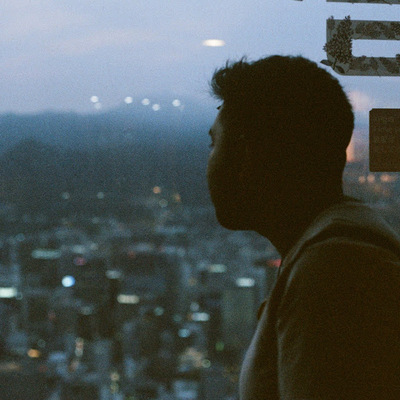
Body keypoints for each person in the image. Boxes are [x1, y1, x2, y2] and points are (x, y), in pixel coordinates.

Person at [207, 55, 400, 399]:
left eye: (214, 143)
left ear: (247, 154)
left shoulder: (334, 273)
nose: (208, 163)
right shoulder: (337, 247)